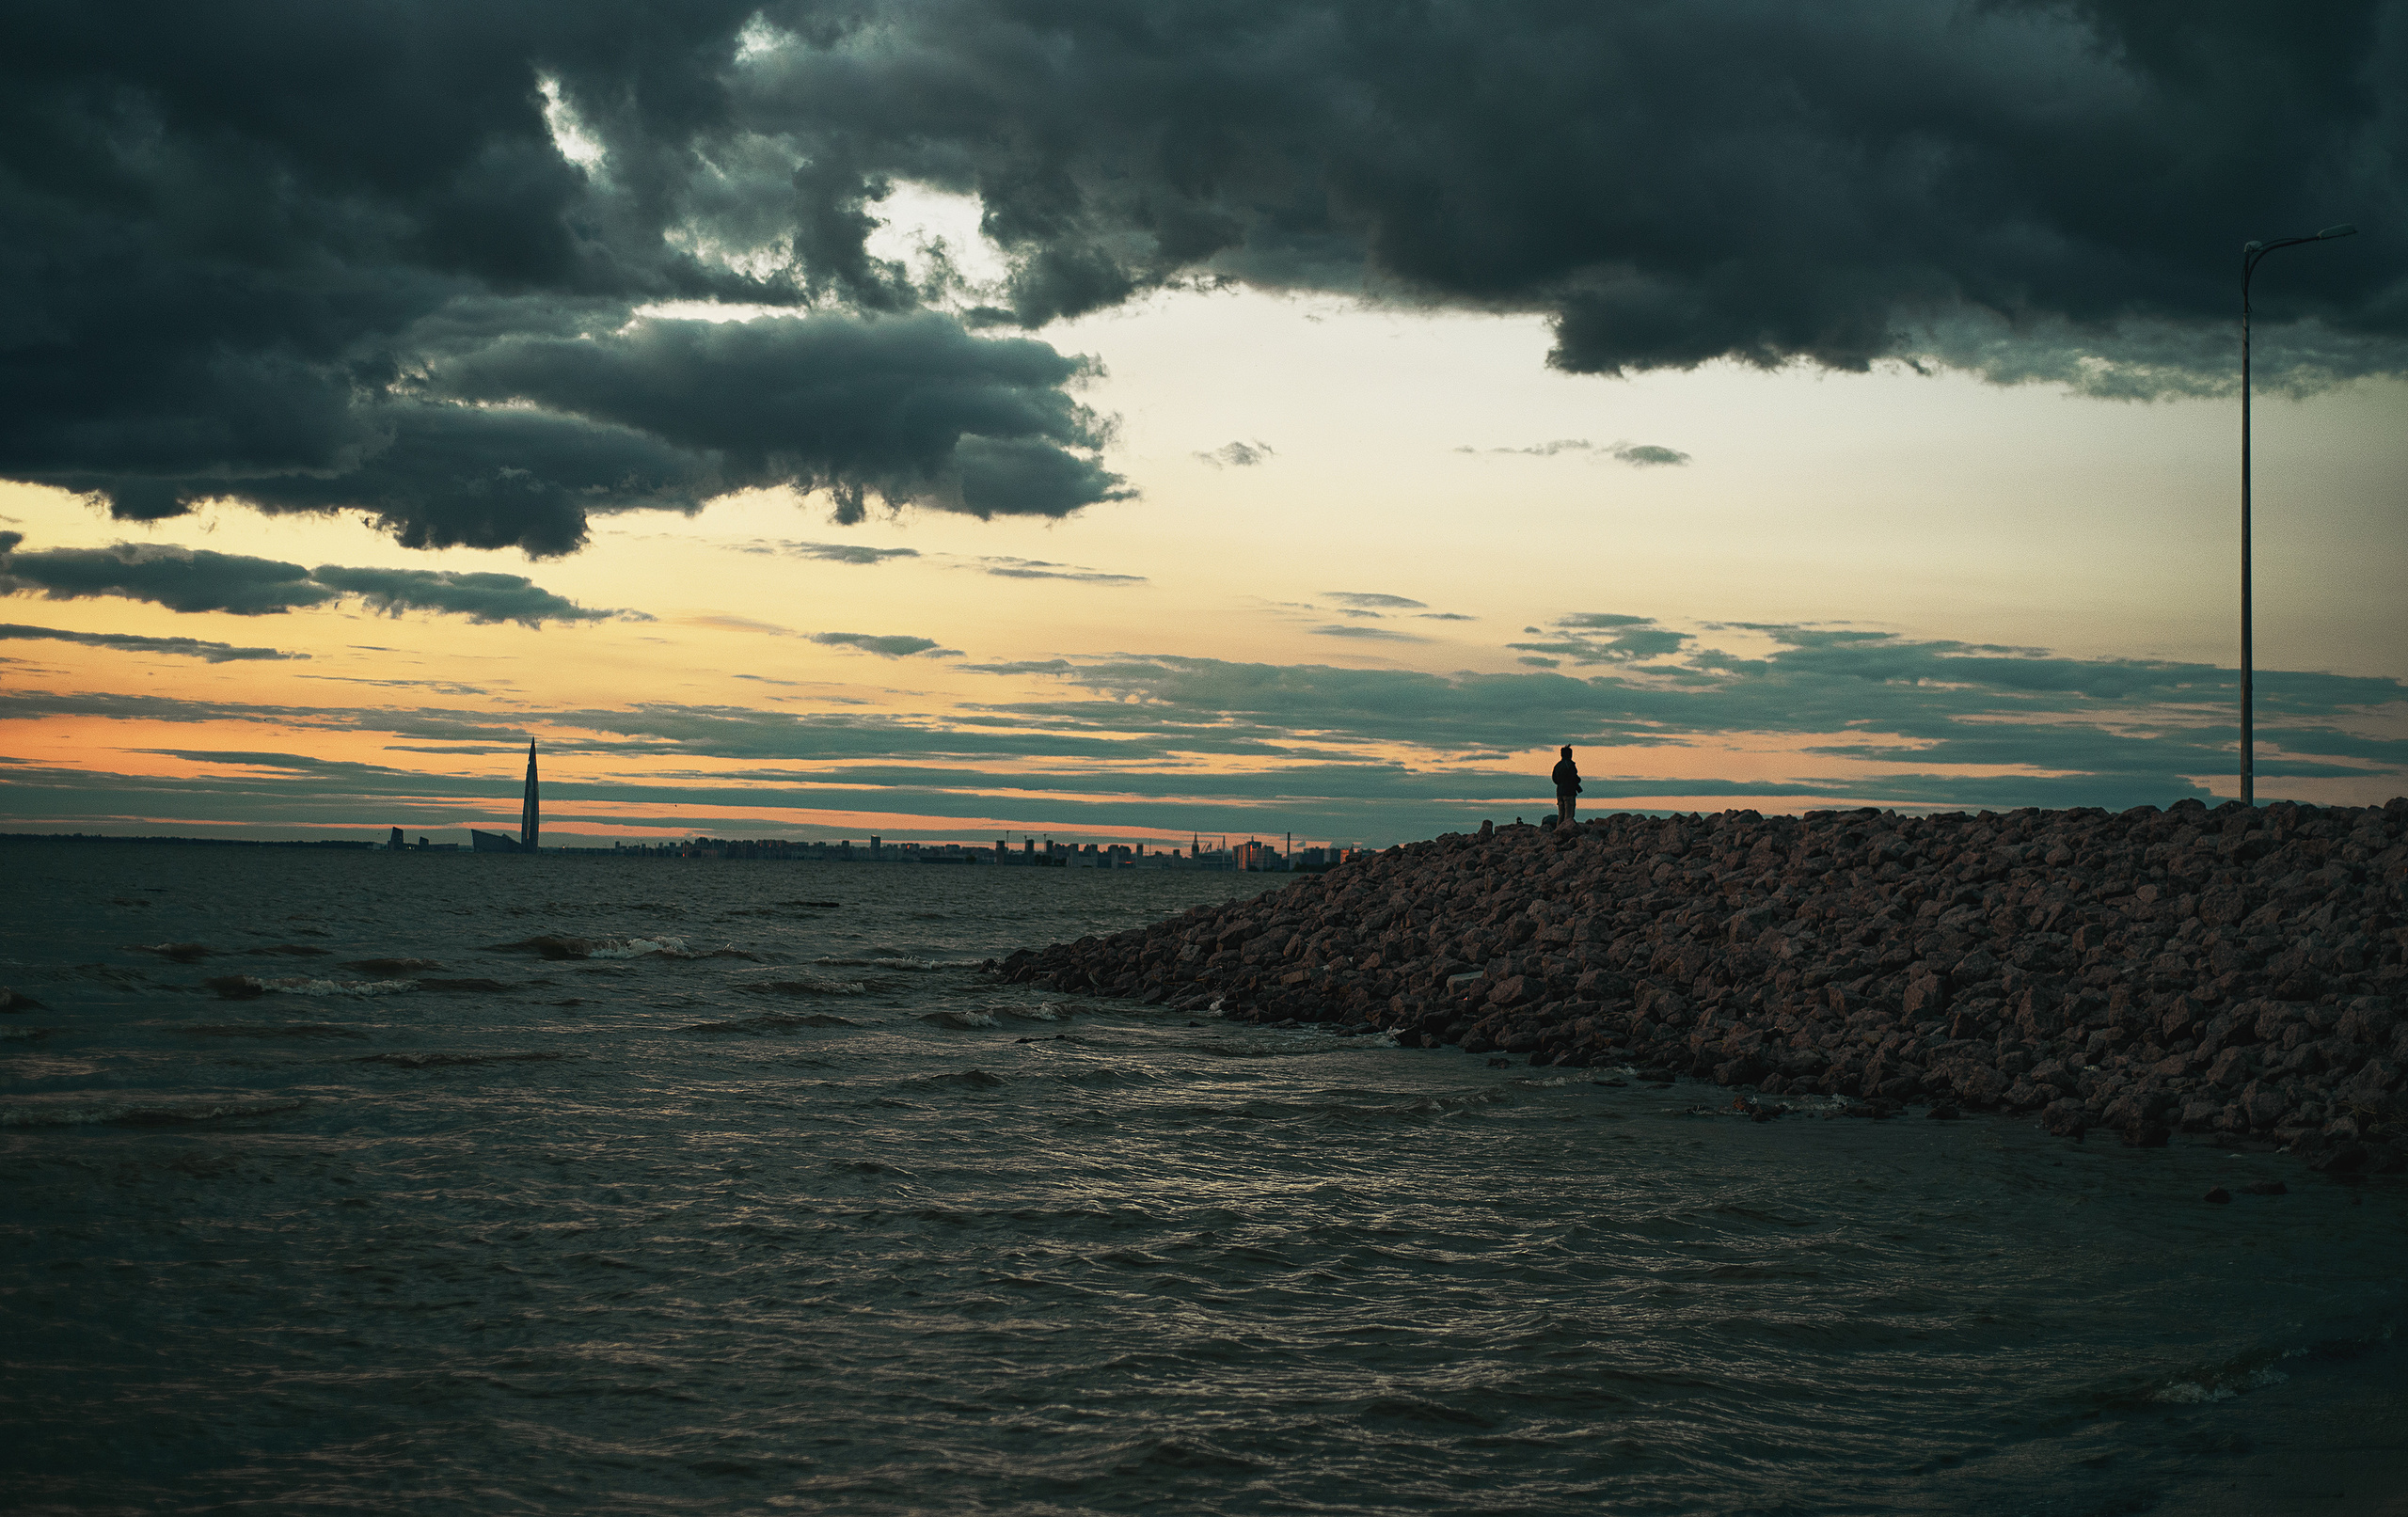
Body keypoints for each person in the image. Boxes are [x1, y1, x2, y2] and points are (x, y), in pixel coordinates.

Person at [1551, 745, 1581, 826]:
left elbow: (1555, 779)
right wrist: (1577, 782)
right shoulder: (1570, 765)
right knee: (1568, 816)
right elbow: (1574, 777)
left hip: (1560, 792)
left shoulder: (1557, 766)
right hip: (1569, 792)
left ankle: (1557, 831)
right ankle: (1566, 831)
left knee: (1561, 815)